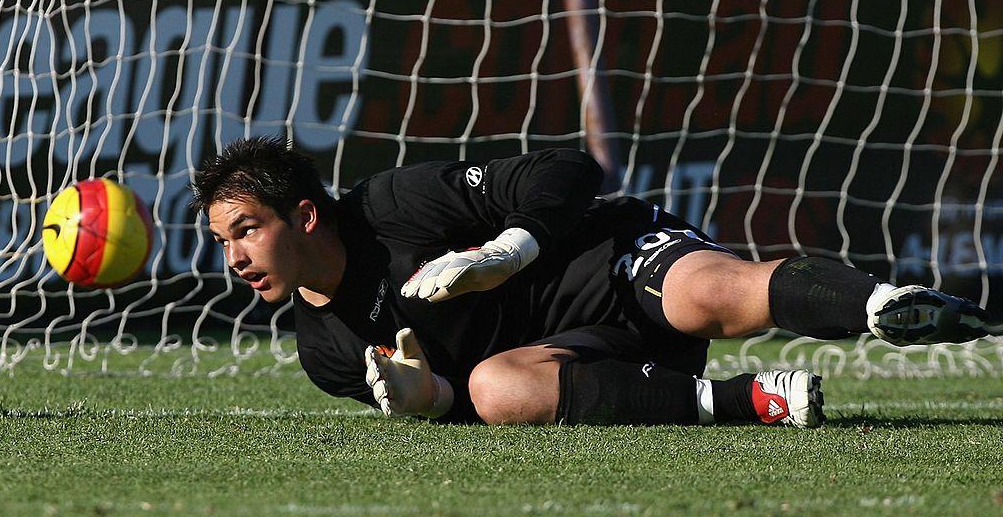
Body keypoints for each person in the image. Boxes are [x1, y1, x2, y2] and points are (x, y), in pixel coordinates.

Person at [191, 136, 992, 427]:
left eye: (245, 231)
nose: (233, 257)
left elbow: (570, 169)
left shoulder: (391, 204)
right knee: (493, 394)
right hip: (583, 359)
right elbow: (451, 404)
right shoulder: (323, 350)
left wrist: (508, 250)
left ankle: (887, 306)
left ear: (302, 217)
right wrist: (422, 400)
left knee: (708, 294)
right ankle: (745, 403)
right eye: (223, 242)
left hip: (611, 258)